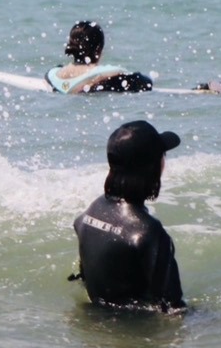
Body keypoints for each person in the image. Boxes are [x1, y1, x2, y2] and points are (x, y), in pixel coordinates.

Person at [70, 120, 186, 312]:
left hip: (90, 319)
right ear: (154, 166)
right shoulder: (147, 233)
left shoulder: (91, 212)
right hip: (132, 327)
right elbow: (173, 309)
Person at [46, 21, 153, 93]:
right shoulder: (104, 76)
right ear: (98, 49)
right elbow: (146, 83)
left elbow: (54, 71)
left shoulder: (53, 75)